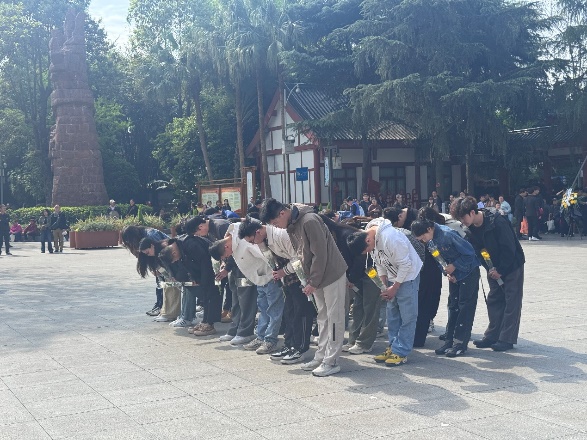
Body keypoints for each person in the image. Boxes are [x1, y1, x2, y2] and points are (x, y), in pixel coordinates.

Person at [261, 198, 348, 377]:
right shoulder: (293, 224)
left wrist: (312, 282)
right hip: (317, 276)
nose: (277, 227)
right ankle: (321, 356)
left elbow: (320, 255)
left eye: (275, 223)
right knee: (322, 317)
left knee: (334, 318)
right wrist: (309, 280)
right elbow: (303, 256)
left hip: (331, 273)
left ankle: (331, 361)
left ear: (282, 213)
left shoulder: (309, 221)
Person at [451, 196, 525, 352]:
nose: (462, 222)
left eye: (463, 218)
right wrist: (489, 268)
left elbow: (509, 248)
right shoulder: (470, 229)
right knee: (494, 300)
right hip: (493, 267)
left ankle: (507, 339)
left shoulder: (497, 221)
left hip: (512, 265)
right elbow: (479, 251)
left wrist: (501, 270)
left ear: (472, 212)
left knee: (512, 301)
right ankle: (492, 335)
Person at [347, 215, 423, 367]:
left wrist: (394, 287)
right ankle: (393, 347)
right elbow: (379, 264)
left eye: (367, 250)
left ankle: (401, 352)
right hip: (393, 277)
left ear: (368, 240)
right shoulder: (370, 236)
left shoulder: (391, 238)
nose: (369, 252)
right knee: (393, 315)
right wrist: (383, 285)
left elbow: (406, 265)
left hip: (408, 276)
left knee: (407, 316)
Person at [411, 218, 481, 357]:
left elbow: (470, 253)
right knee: (453, 305)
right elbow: (439, 259)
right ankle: (449, 341)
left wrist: (454, 266)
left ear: (429, 229)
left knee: (464, 307)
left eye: (423, 237)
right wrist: (447, 271)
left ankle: (460, 343)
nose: (423, 241)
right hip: (454, 274)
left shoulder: (448, 234)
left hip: (468, 272)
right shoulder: (430, 240)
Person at [121, 225, 169, 316]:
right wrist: (153, 269)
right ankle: (160, 305)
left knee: (165, 282)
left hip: (167, 259)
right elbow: (145, 256)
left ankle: (164, 307)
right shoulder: (140, 239)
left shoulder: (151, 235)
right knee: (160, 282)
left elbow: (161, 252)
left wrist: (158, 268)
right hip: (159, 261)